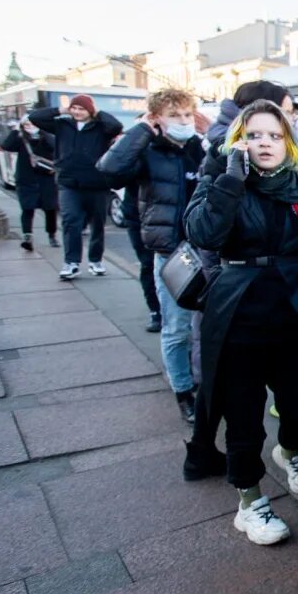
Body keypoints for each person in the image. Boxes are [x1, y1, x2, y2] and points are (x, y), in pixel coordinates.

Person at [184, 99, 298, 545]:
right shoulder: (219, 179)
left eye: (273, 134)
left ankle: (289, 450)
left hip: (294, 306)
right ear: (238, 142)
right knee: (242, 413)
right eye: (253, 135)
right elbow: (203, 234)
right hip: (237, 312)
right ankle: (249, 500)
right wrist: (230, 181)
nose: (264, 143)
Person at [98, 88, 207, 426]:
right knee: (176, 328)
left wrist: (208, 130)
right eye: (175, 115)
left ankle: (202, 381)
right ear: (156, 118)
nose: (183, 122)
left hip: (205, 251)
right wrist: (142, 130)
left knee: (203, 328)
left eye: (187, 115)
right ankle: (183, 390)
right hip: (171, 253)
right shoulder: (146, 149)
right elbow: (109, 169)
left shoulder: (199, 149)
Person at [28, 94, 123, 279]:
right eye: (75, 108)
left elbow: (116, 126)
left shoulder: (100, 127)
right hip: (69, 183)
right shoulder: (63, 125)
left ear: (90, 110)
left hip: (96, 183)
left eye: (82, 109)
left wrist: (97, 113)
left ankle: (95, 260)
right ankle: (71, 262)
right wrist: (61, 110)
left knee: (98, 224)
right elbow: (35, 117)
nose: (77, 112)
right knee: (71, 221)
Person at [2, 115, 58, 251]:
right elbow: (6, 146)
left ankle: (52, 235)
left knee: (50, 209)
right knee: (27, 209)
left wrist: (42, 132)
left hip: (46, 179)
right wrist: (16, 130)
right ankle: (27, 237)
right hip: (26, 180)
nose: (30, 127)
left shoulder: (46, 136)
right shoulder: (20, 139)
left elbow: (54, 146)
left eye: (32, 124)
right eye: (26, 124)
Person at [120, 186, 162, 333]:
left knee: (185, 266)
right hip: (140, 216)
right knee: (148, 265)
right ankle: (155, 312)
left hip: (173, 213)